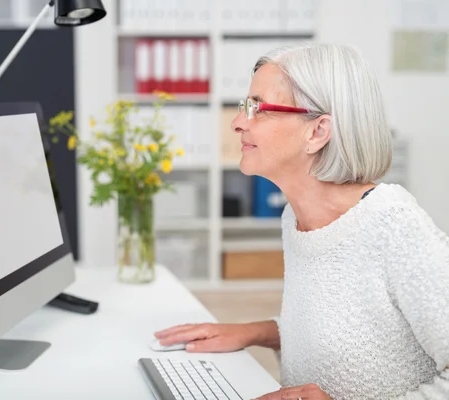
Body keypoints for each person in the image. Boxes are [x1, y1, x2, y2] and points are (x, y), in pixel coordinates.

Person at [154, 43, 449, 400]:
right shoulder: (295, 216)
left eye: (258, 108)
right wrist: (256, 332)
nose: (237, 122)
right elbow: (341, 331)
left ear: (317, 131)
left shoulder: (394, 224)